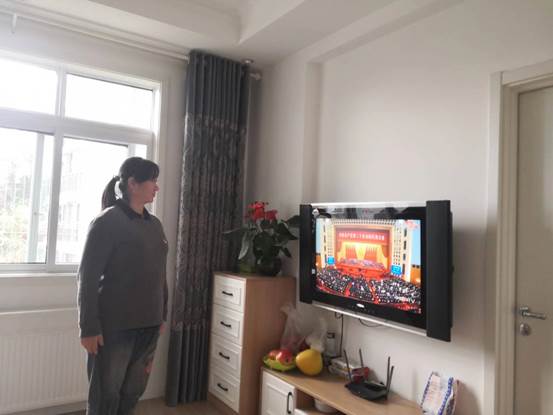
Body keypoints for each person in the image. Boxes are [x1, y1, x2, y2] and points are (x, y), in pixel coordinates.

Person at [77, 157, 168, 415]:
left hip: (149, 326)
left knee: (132, 394)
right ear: (132, 184)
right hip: (114, 328)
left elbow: (160, 274)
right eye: (152, 180)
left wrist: (162, 314)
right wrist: (88, 328)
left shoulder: (155, 225)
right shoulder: (106, 222)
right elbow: (87, 278)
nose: (156, 187)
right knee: (105, 397)